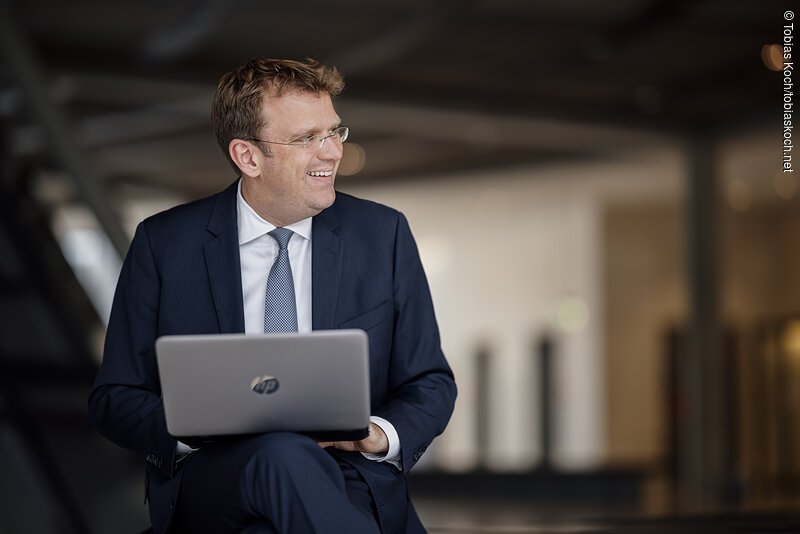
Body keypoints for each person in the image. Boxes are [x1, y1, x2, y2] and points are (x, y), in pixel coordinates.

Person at [88, 57, 457, 533]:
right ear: (248, 156)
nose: (331, 152)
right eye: (307, 138)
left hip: (350, 478)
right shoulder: (165, 244)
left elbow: (430, 381)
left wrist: (378, 434)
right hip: (215, 477)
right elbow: (115, 398)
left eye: (334, 132)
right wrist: (192, 425)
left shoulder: (382, 235)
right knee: (280, 452)